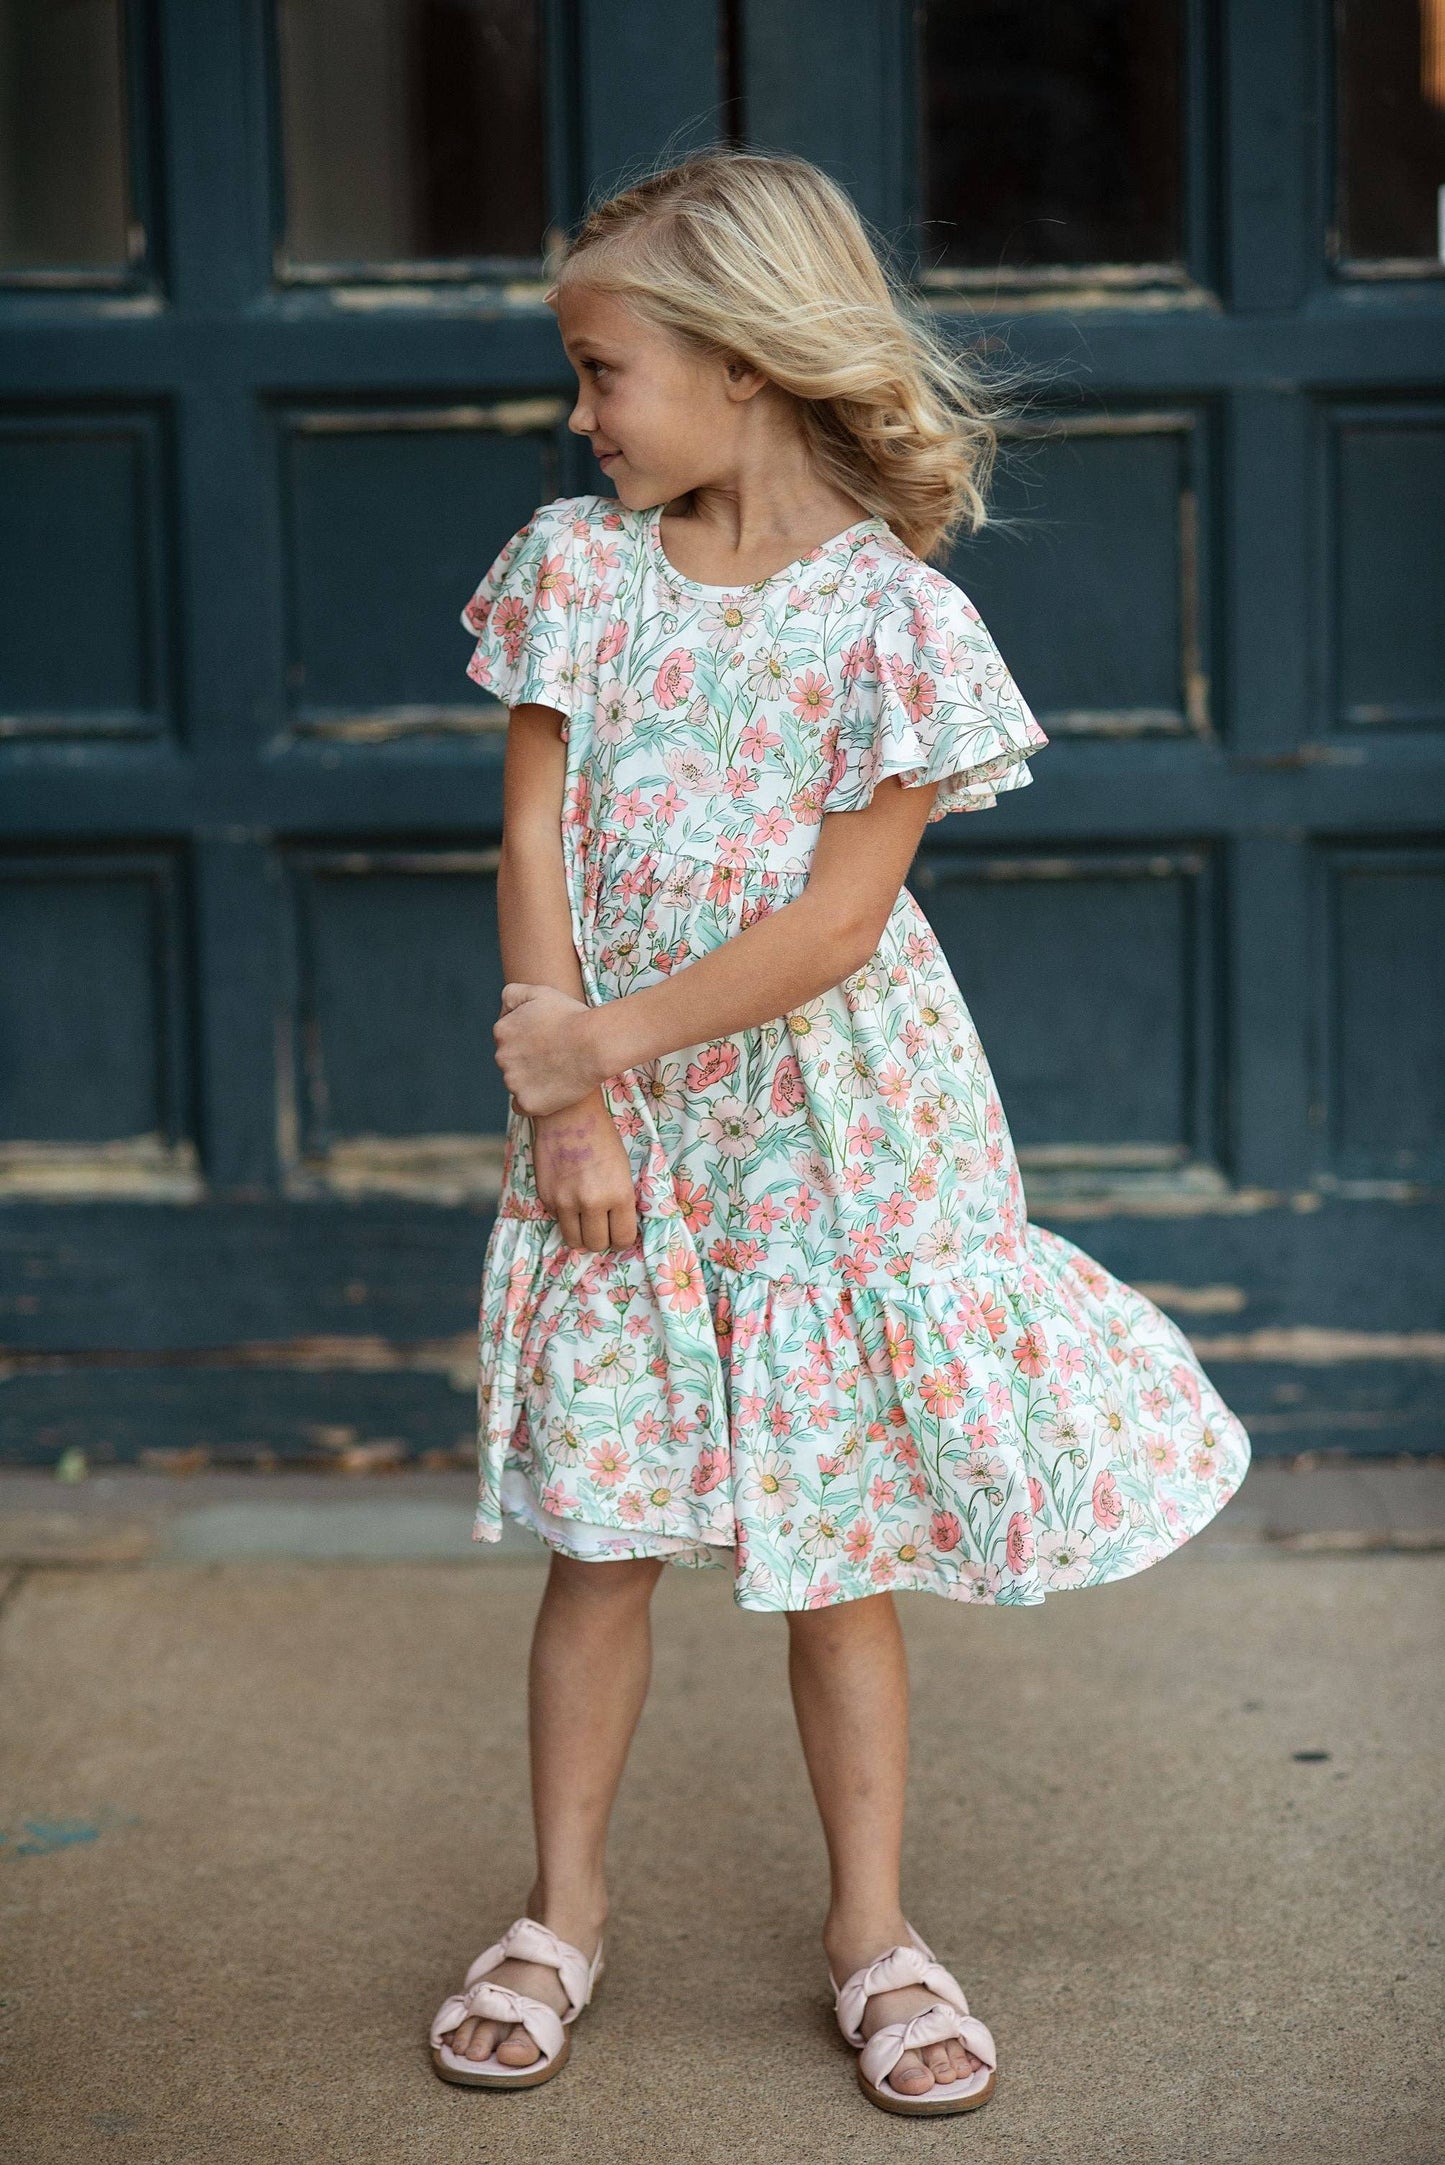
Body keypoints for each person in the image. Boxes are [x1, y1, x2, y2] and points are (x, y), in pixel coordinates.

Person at [427, 147, 1251, 2117]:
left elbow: (835, 923)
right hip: (622, 1132)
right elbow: (536, 826)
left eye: (605, 369)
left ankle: (871, 1931)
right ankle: (562, 1911)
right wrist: (577, 1095)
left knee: (836, 1549)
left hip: (831, 1134)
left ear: (742, 362)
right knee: (602, 1532)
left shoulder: (892, 624)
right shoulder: (578, 575)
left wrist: (594, 1039)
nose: (579, 412)